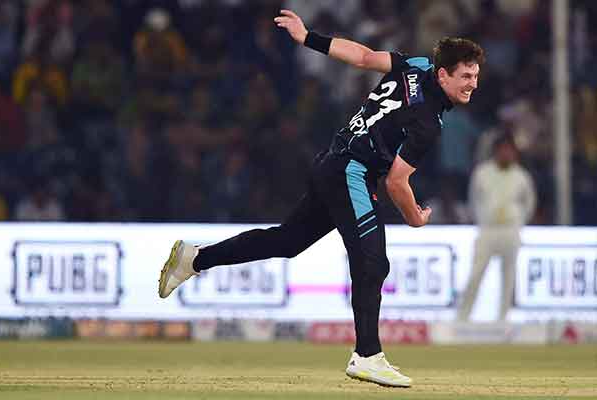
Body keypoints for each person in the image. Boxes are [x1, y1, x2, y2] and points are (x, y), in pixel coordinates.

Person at [158, 9, 484, 388]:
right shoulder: (428, 123)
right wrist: (415, 217)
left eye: (475, 76)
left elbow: (363, 57)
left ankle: (195, 258)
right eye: (466, 76)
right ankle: (367, 355)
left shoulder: (415, 65)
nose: (473, 84)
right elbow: (397, 183)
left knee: (287, 241)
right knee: (372, 263)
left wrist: (308, 37)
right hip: (352, 172)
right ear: (443, 74)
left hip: (332, 162)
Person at [457, 134, 536, 321]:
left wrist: (518, 221)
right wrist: (483, 219)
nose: (507, 153)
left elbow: (529, 203)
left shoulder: (521, 176)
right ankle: (462, 317)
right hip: (488, 230)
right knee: (476, 273)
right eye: (503, 149)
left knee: (509, 276)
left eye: (510, 150)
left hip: (510, 230)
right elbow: (473, 200)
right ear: (496, 151)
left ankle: (503, 317)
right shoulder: (482, 172)